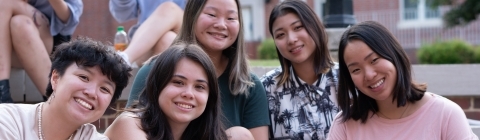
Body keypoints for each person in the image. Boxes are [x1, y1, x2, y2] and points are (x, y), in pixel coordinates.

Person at [126, 0, 270, 139]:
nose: (221, 25)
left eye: (231, 18)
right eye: (212, 15)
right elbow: (129, 128)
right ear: (192, 15)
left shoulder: (249, 85)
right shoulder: (153, 70)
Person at [327, 21, 479, 140]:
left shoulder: (445, 114)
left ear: (394, 55)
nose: (369, 75)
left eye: (374, 60)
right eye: (356, 70)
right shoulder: (345, 125)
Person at [0, 37, 132, 139]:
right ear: (55, 78)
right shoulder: (7, 121)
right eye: (84, 77)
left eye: (104, 89)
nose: (92, 93)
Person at [104, 43, 228, 140]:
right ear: (158, 85)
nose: (189, 94)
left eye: (200, 86)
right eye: (179, 82)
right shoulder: (130, 124)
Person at [260, 0, 340, 139]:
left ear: (315, 27)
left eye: (298, 27)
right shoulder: (267, 89)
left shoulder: (345, 78)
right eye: (280, 35)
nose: (291, 39)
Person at [0, 0, 83, 103]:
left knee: (20, 23)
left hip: (47, 42)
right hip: (6, 48)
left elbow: (70, 21)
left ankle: (2, 94)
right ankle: (58, 102)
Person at [109, 0, 186, 66]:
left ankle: (124, 59)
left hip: (187, 35)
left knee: (169, 8)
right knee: (168, 39)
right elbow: (122, 15)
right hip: (145, 47)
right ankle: (124, 59)